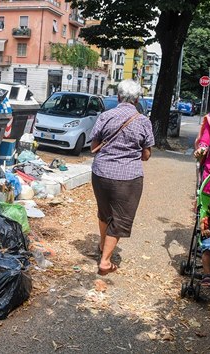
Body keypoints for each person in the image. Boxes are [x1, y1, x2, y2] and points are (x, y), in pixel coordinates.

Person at [90, 79, 155, 276]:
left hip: (100, 173)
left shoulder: (105, 116)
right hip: (127, 177)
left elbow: (94, 144)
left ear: (118, 97)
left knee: (104, 211)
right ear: (137, 100)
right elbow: (146, 154)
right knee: (121, 218)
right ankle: (105, 261)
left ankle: (103, 245)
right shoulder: (143, 121)